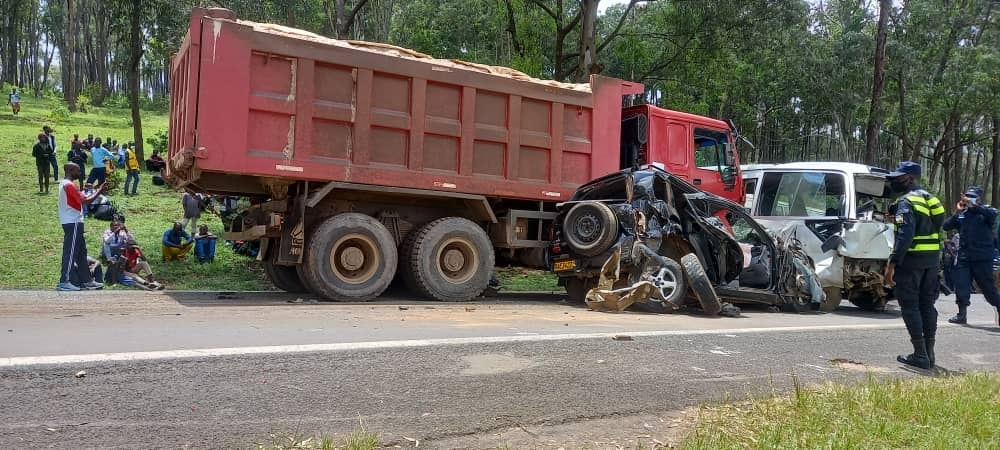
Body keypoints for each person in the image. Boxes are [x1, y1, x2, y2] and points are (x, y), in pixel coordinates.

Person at [884, 161, 945, 369]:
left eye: (898, 177)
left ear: (909, 178)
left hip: (911, 263)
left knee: (910, 306)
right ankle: (928, 353)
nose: (894, 181)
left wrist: (892, 264)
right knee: (927, 305)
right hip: (932, 261)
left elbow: (905, 236)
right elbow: (937, 227)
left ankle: (919, 355)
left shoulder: (906, 201)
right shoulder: (931, 199)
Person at [942, 186, 1000, 327]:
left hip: (982, 257)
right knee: (961, 286)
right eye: (967, 196)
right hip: (964, 257)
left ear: (979, 198)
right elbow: (946, 226)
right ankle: (962, 314)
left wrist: (974, 206)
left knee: (988, 289)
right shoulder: (963, 214)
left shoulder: (986, 211)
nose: (968, 198)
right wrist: (957, 212)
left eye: (972, 196)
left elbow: (992, 216)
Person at [57, 163, 106, 291]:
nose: (80, 173)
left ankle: (86, 280)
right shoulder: (69, 185)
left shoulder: (68, 184)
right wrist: (100, 190)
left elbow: (82, 197)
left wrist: (93, 190)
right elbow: (86, 201)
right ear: (71, 170)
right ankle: (65, 281)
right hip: (72, 223)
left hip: (75, 222)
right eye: (78, 171)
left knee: (81, 253)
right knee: (71, 253)